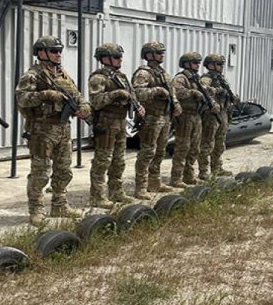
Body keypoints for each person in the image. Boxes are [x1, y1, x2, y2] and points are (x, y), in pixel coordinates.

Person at [15, 36, 91, 226]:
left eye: (59, 51)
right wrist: (45, 94)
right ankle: (36, 210)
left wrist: (84, 108)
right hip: (42, 129)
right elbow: (22, 99)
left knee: (64, 170)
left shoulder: (62, 74)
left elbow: (77, 95)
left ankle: (59, 204)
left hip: (63, 128)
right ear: (41, 53)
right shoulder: (33, 75)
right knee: (40, 172)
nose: (58, 54)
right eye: (54, 51)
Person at [87, 43, 145, 208]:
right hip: (106, 122)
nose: (120, 60)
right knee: (103, 160)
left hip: (120, 121)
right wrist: (115, 94)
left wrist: (138, 106)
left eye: (120, 57)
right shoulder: (99, 78)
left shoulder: (121, 77)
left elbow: (132, 95)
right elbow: (96, 101)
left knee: (119, 160)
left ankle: (116, 191)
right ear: (105, 58)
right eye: (116, 57)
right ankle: (97, 196)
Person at [132, 41, 182, 199]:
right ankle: (140, 187)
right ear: (149, 55)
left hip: (164, 116)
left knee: (160, 151)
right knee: (147, 152)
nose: (162, 55)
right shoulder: (143, 73)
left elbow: (171, 91)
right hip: (151, 118)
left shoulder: (163, 73)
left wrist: (176, 104)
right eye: (159, 52)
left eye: (162, 52)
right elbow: (137, 93)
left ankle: (154, 182)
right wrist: (156, 90)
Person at [170, 51, 220, 187]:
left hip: (196, 115)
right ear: (186, 63)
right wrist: (192, 92)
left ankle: (189, 175)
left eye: (198, 62)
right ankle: (176, 178)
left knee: (194, 148)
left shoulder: (195, 78)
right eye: (194, 62)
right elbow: (175, 93)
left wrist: (212, 96)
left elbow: (205, 90)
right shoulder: (181, 78)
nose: (197, 65)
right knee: (182, 148)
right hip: (185, 116)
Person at [199, 53, 235, 179]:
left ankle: (217, 168)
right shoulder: (206, 78)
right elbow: (203, 90)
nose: (222, 67)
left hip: (223, 113)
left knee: (220, 143)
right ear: (210, 65)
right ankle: (203, 171)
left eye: (222, 64)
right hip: (211, 115)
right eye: (219, 64)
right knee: (207, 143)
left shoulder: (221, 79)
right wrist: (216, 93)